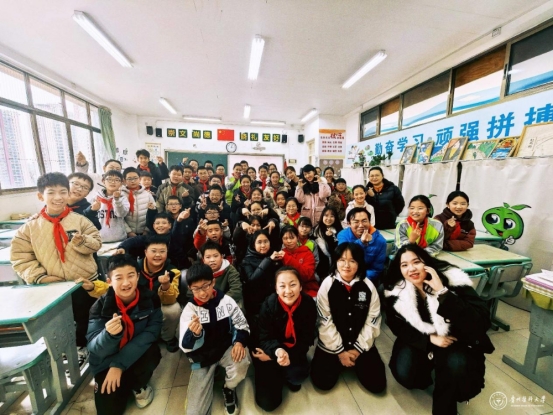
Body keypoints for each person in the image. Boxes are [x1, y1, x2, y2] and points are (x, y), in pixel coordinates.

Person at [382, 244, 494, 415]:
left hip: (456, 340)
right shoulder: (397, 290)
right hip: (421, 338)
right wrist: (429, 339)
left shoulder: (453, 280)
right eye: (404, 265)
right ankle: (430, 365)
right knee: (405, 374)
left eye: (416, 262)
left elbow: (481, 322)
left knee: (456, 368)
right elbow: (397, 325)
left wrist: (443, 292)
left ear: (426, 263)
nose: (411, 268)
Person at [11, 172, 102, 366]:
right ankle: (64, 351)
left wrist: (82, 241)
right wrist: (40, 277)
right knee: (58, 321)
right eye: (51, 192)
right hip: (52, 285)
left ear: (68, 194)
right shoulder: (29, 228)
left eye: (62, 192)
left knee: (86, 316)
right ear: (40, 196)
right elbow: (20, 257)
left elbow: (96, 244)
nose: (58, 197)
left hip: (83, 282)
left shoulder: (80, 220)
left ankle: (84, 347)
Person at [86, 254, 162, 414]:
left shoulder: (150, 299)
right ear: (109, 281)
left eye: (131, 275)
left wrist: (119, 365)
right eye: (119, 278)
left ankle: (138, 385)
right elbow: (94, 348)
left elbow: (151, 333)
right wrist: (109, 335)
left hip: (136, 355)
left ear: (138, 276)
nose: (126, 283)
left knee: (152, 351)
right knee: (108, 411)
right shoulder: (99, 307)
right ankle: (125, 384)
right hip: (106, 362)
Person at [311, 243, 386, 394]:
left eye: (352, 261)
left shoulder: (368, 286)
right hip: (331, 345)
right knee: (323, 383)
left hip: (361, 344)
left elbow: (373, 320)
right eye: (342, 260)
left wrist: (357, 350)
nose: (346, 265)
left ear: (359, 263)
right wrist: (340, 352)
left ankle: (354, 359)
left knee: (377, 385)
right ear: (336, 261)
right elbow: (324, 321)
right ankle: (342, 360)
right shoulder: (327, 284)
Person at [180, 264, 250, 415]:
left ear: (213, 282)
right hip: (203, 358)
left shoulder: (226, 301)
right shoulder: (189, 310)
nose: (202, 292)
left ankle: (229, 388)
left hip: (225, 349)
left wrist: (239, 342)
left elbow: (242, 323)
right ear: (190, 289)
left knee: (242, 361)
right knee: (195, 412)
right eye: (196, 289)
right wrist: (194, 334)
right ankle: (211, 375)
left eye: (205, 286)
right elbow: (185, 346)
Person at [253, 267, 317, 411]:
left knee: (298, 377)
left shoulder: (308, 304)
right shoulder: (268, 305)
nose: (288, 291)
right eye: (282, 286)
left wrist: (289, 354)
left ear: (301, 286)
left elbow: (307, 338)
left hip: (293, 350)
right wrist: (275, 353)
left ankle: (285, 373)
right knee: (268, 403)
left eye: (293, 284)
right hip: (270, 351)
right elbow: (264, 337)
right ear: (276, 289)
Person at [337, 207, 387, 284]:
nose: (361, 225)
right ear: (349, 224)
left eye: (364, 221)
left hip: (367, 279)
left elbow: (376, 269)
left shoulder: (380, 241)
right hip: (345, 275)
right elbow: (344, 256)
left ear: (369, 222)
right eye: (356, 221)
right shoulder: (343, 235)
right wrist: (361, 242)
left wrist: (358, 280)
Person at [280, 226, 318, 297]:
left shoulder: (307, 253)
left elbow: (307, 275)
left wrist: (287, 258)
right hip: (287, 292)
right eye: (285, 238)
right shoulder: (280, 255)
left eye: (292, 238)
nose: (289, 241)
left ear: (297, 238)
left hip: (308, 290)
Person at [94, 170, 130, 243]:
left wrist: (117, 200)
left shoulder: (123, 198)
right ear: (103, 181)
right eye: (109, 179)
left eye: (117, 180)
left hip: (119, 239)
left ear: (121, 183)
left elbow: (121, 214)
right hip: (99, 239)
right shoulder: (96, 198)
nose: (113, 182)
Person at [122, 167, 156, 238]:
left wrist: (147, 230)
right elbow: (119, 217)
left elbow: (154, 212)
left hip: (145, 233)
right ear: (124, 181)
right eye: (129, 179)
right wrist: (129, 232)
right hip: (126, 234)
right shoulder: (121, 195)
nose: (133, 181)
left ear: (139, 179)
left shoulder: (147, 194)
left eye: (135, 178)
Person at [313, 206, 342, 279]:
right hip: (320, 265)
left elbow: (336, 250)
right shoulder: (316, 230)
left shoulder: (339, 231)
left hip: (335, 265)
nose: (329, 218)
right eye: (326, 215)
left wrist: (330, 238)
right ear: (322, 216)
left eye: (332, 216)